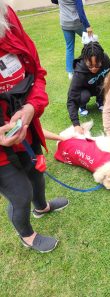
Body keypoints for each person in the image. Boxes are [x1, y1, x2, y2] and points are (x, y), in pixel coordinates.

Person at [0, 2, 68, 253]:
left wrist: (30, 109)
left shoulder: (6, 16)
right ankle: (27, 235)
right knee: (20, 193)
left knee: (37, 175)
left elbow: (36, 75)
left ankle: (42, 208)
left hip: (25, 129)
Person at [67, 42, 110, 134]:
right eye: (90, 66)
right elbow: (71, 98)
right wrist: (76, 124)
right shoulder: (79, 72)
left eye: (97, 65)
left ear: (102, 59)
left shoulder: (105, 59)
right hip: (85, 90)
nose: (94, 68)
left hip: (98, 86)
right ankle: (82, 106)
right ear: (85, 60)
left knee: (107, 81)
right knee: (84, 96)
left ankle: (100, 101)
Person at [58, 0, 93, 79]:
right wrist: (87, 25)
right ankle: (90, 64)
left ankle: (70, 73)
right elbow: (80, 10)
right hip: (77, 22)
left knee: (69, 47)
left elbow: (53, 1)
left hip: (65, 23)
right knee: (90, 42)